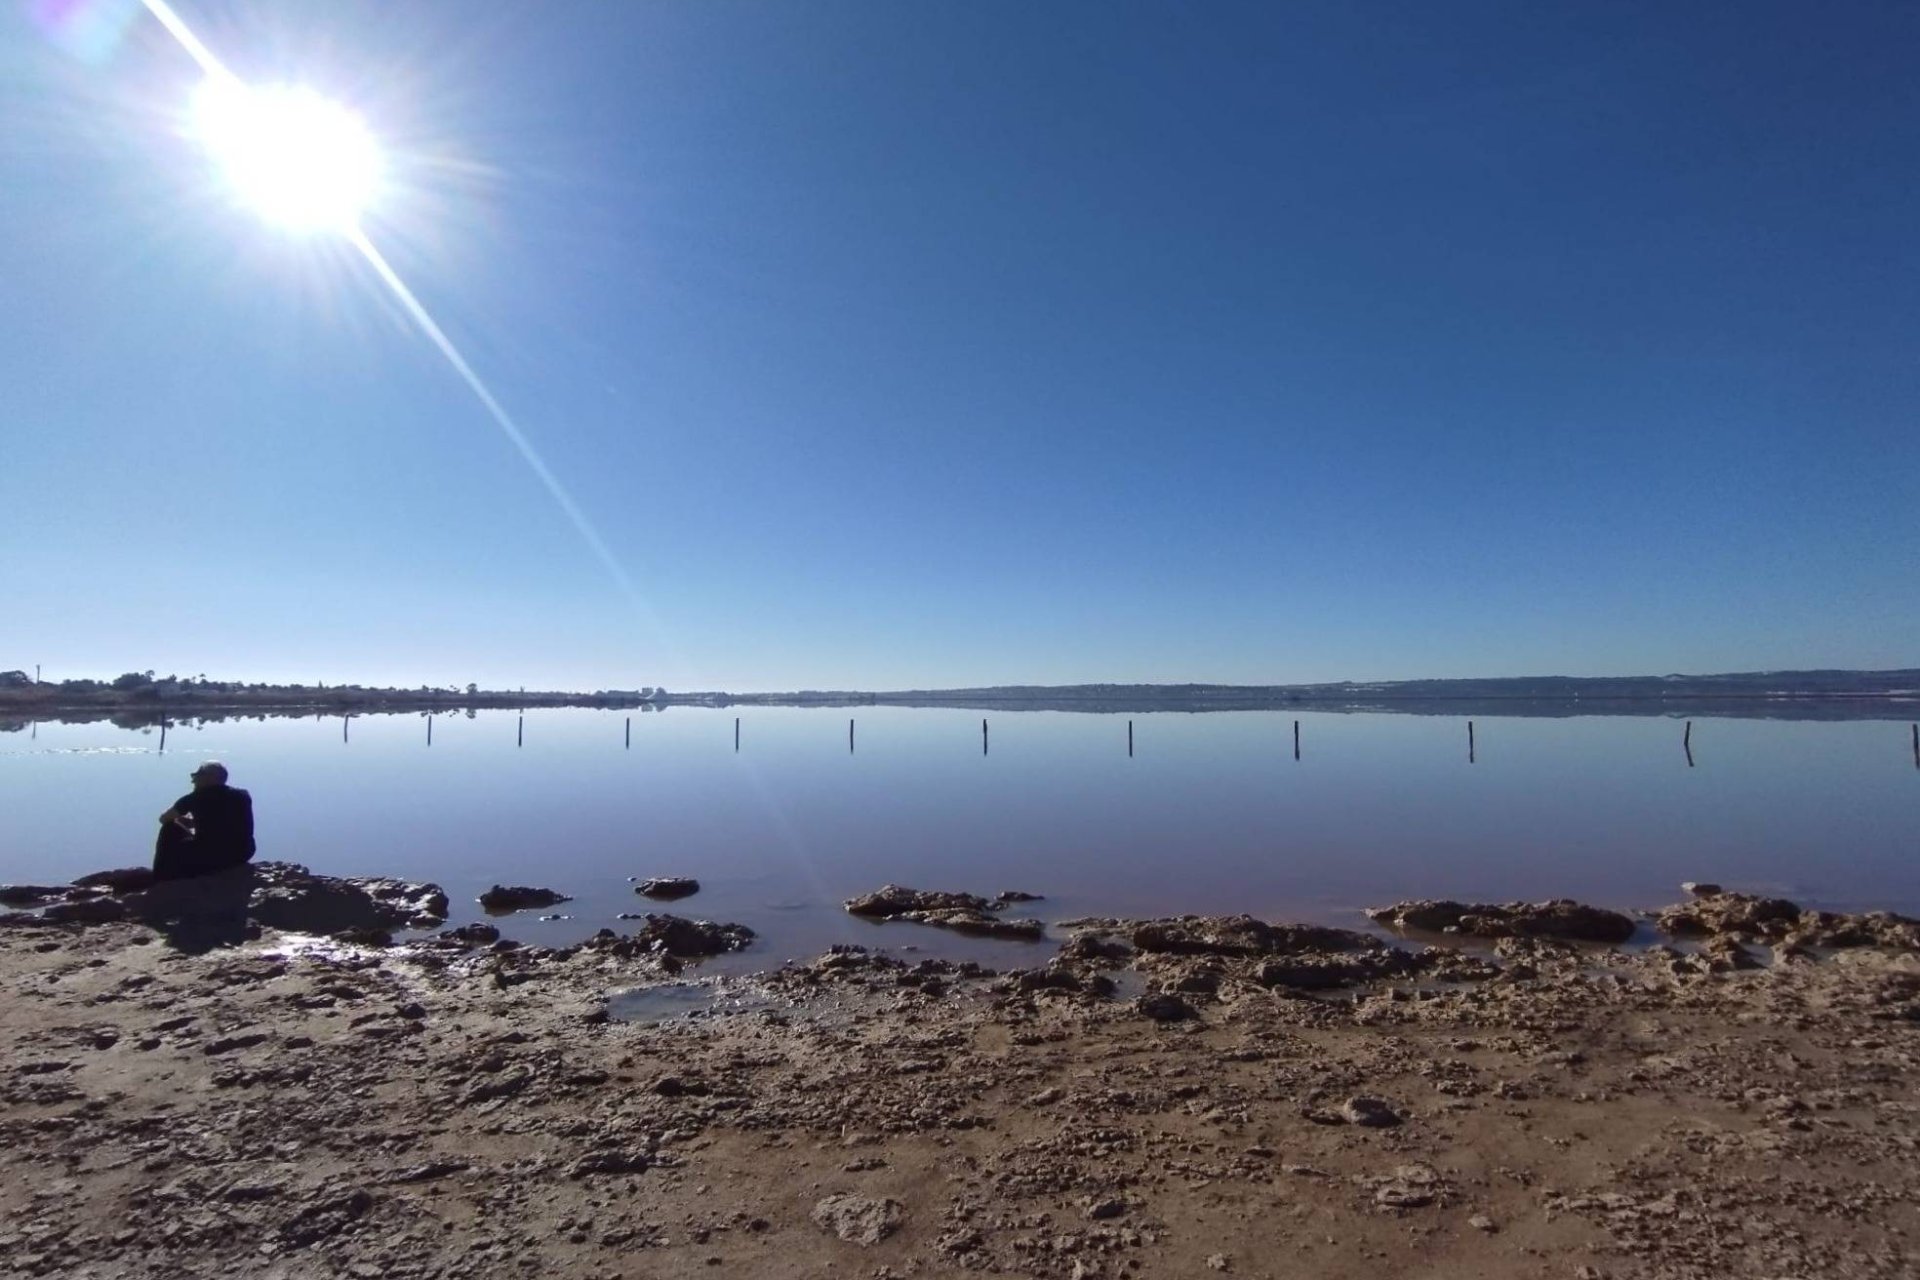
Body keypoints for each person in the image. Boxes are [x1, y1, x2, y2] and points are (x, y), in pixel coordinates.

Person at [153, 760, 256, 881]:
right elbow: (222, 821)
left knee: (169, 828)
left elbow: (164, 819)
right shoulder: (243, 795)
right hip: (242, 853)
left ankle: (161, 876)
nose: (193, 780)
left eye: (196, 775)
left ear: (209, 777)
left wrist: (181, 822)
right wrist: (193, 822)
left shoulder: (193, 798)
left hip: (210, 857)